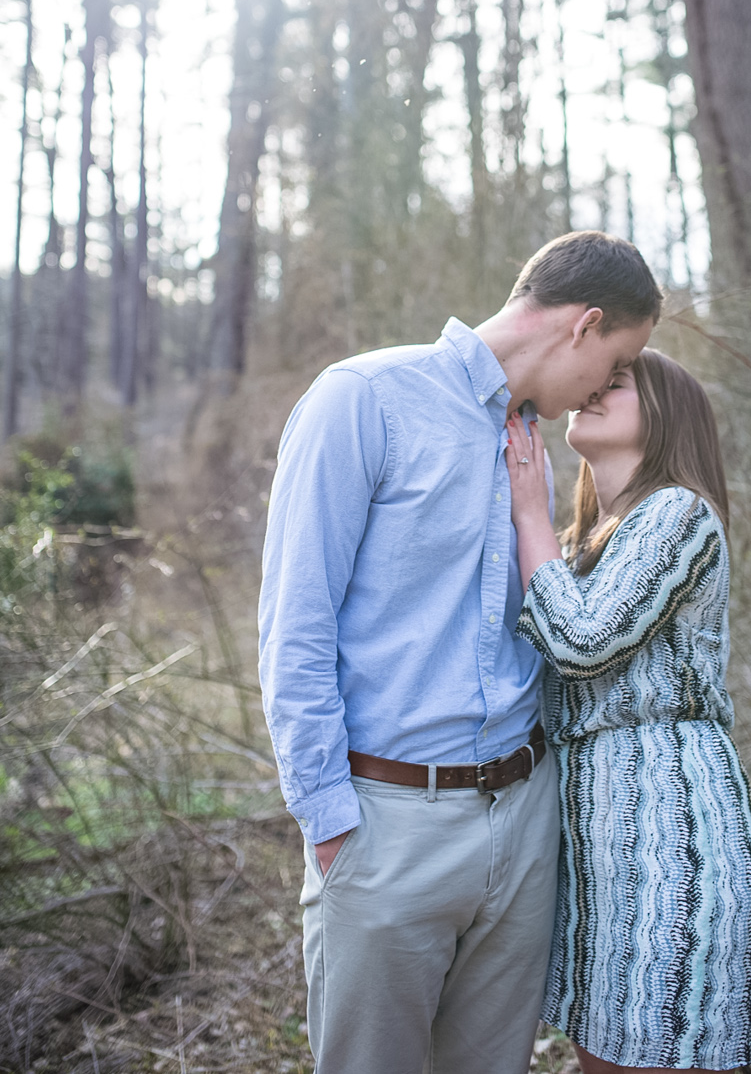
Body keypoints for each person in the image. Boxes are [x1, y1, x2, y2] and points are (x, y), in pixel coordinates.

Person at [258, 230, 661, 1074]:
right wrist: (329, 819)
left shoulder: (532, 452)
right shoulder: (363, 398)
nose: (603, 388)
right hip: (388, 823)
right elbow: (296, 621)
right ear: (583, 325)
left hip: (523, 824)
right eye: (615, 363)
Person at [503, 347, 751, 1074]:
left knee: (660, 1052)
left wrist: (529, 512)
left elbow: (582, 642)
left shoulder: (679, 512)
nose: (592, 390)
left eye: (615, 383)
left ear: (664, 415)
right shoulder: (588, 543)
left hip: (673, 830)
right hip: (597, 841)